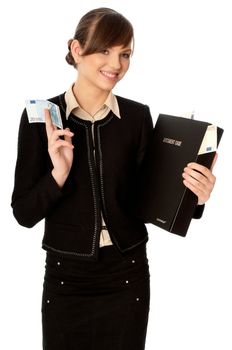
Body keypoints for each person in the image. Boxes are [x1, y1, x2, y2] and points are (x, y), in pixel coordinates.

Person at [11, 7, 217, 350]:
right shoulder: (42, 117)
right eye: (105, 50)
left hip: (128, 273)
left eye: (125, 53)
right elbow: (23, 213)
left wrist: (195, 199)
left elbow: (148, 200)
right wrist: (58, 174)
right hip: (66, 276)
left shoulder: (137, 117)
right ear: (77, 50)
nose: (116, 64)